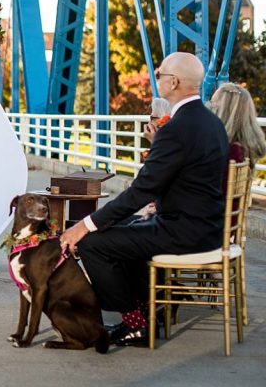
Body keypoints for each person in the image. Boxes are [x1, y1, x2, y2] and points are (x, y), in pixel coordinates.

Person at [59, 52, 229, 347]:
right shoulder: (211, 123)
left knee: (93, 243)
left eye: (160, 74)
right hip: (207, 228)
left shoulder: (175, 129)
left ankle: (135, 323)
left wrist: (84, 225)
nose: (157, 79)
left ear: (173, 82)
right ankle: (151, 312)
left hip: (183, 231)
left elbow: (141, 191)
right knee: (124, 229)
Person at [209, 82, 266, 170]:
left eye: (213, 105)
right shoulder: (243, 148)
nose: (209, 109)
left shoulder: (231, 152)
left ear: (224, 113)